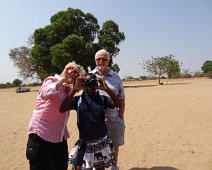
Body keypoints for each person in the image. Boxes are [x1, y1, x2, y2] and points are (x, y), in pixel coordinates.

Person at [26, 62, 84, 170]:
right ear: (65, 69)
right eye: (73, 71)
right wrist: (62, 80)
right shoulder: (52, 80)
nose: (75, 74)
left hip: (59, 136)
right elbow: (43, 92)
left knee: (61, 166)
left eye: (77, 73)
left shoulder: (67, 89)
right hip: (42, 133)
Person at [60, 73, 121, 170]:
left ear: (96, 84)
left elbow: (118, 104)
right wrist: (74, 89)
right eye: (86, 83)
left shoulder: (102, 99)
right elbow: (62, 109)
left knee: (100, 168)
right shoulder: (78, 100)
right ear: (83, 85)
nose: (90, 87)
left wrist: (107, 89)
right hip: (85, 143)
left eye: (93, 83)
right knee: (79, 167)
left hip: (101, 142)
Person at [90, 49, 125, 170]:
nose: (101, 61)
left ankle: (114, 166)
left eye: (104, 59)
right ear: (95, 61)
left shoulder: (116, 77)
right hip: (95, 120)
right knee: (97, 146)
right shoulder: (90, 76)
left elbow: (122, 100)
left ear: (108, 61)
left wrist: (121, 117)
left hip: (113, 117)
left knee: (114, 144)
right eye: (98, 59)